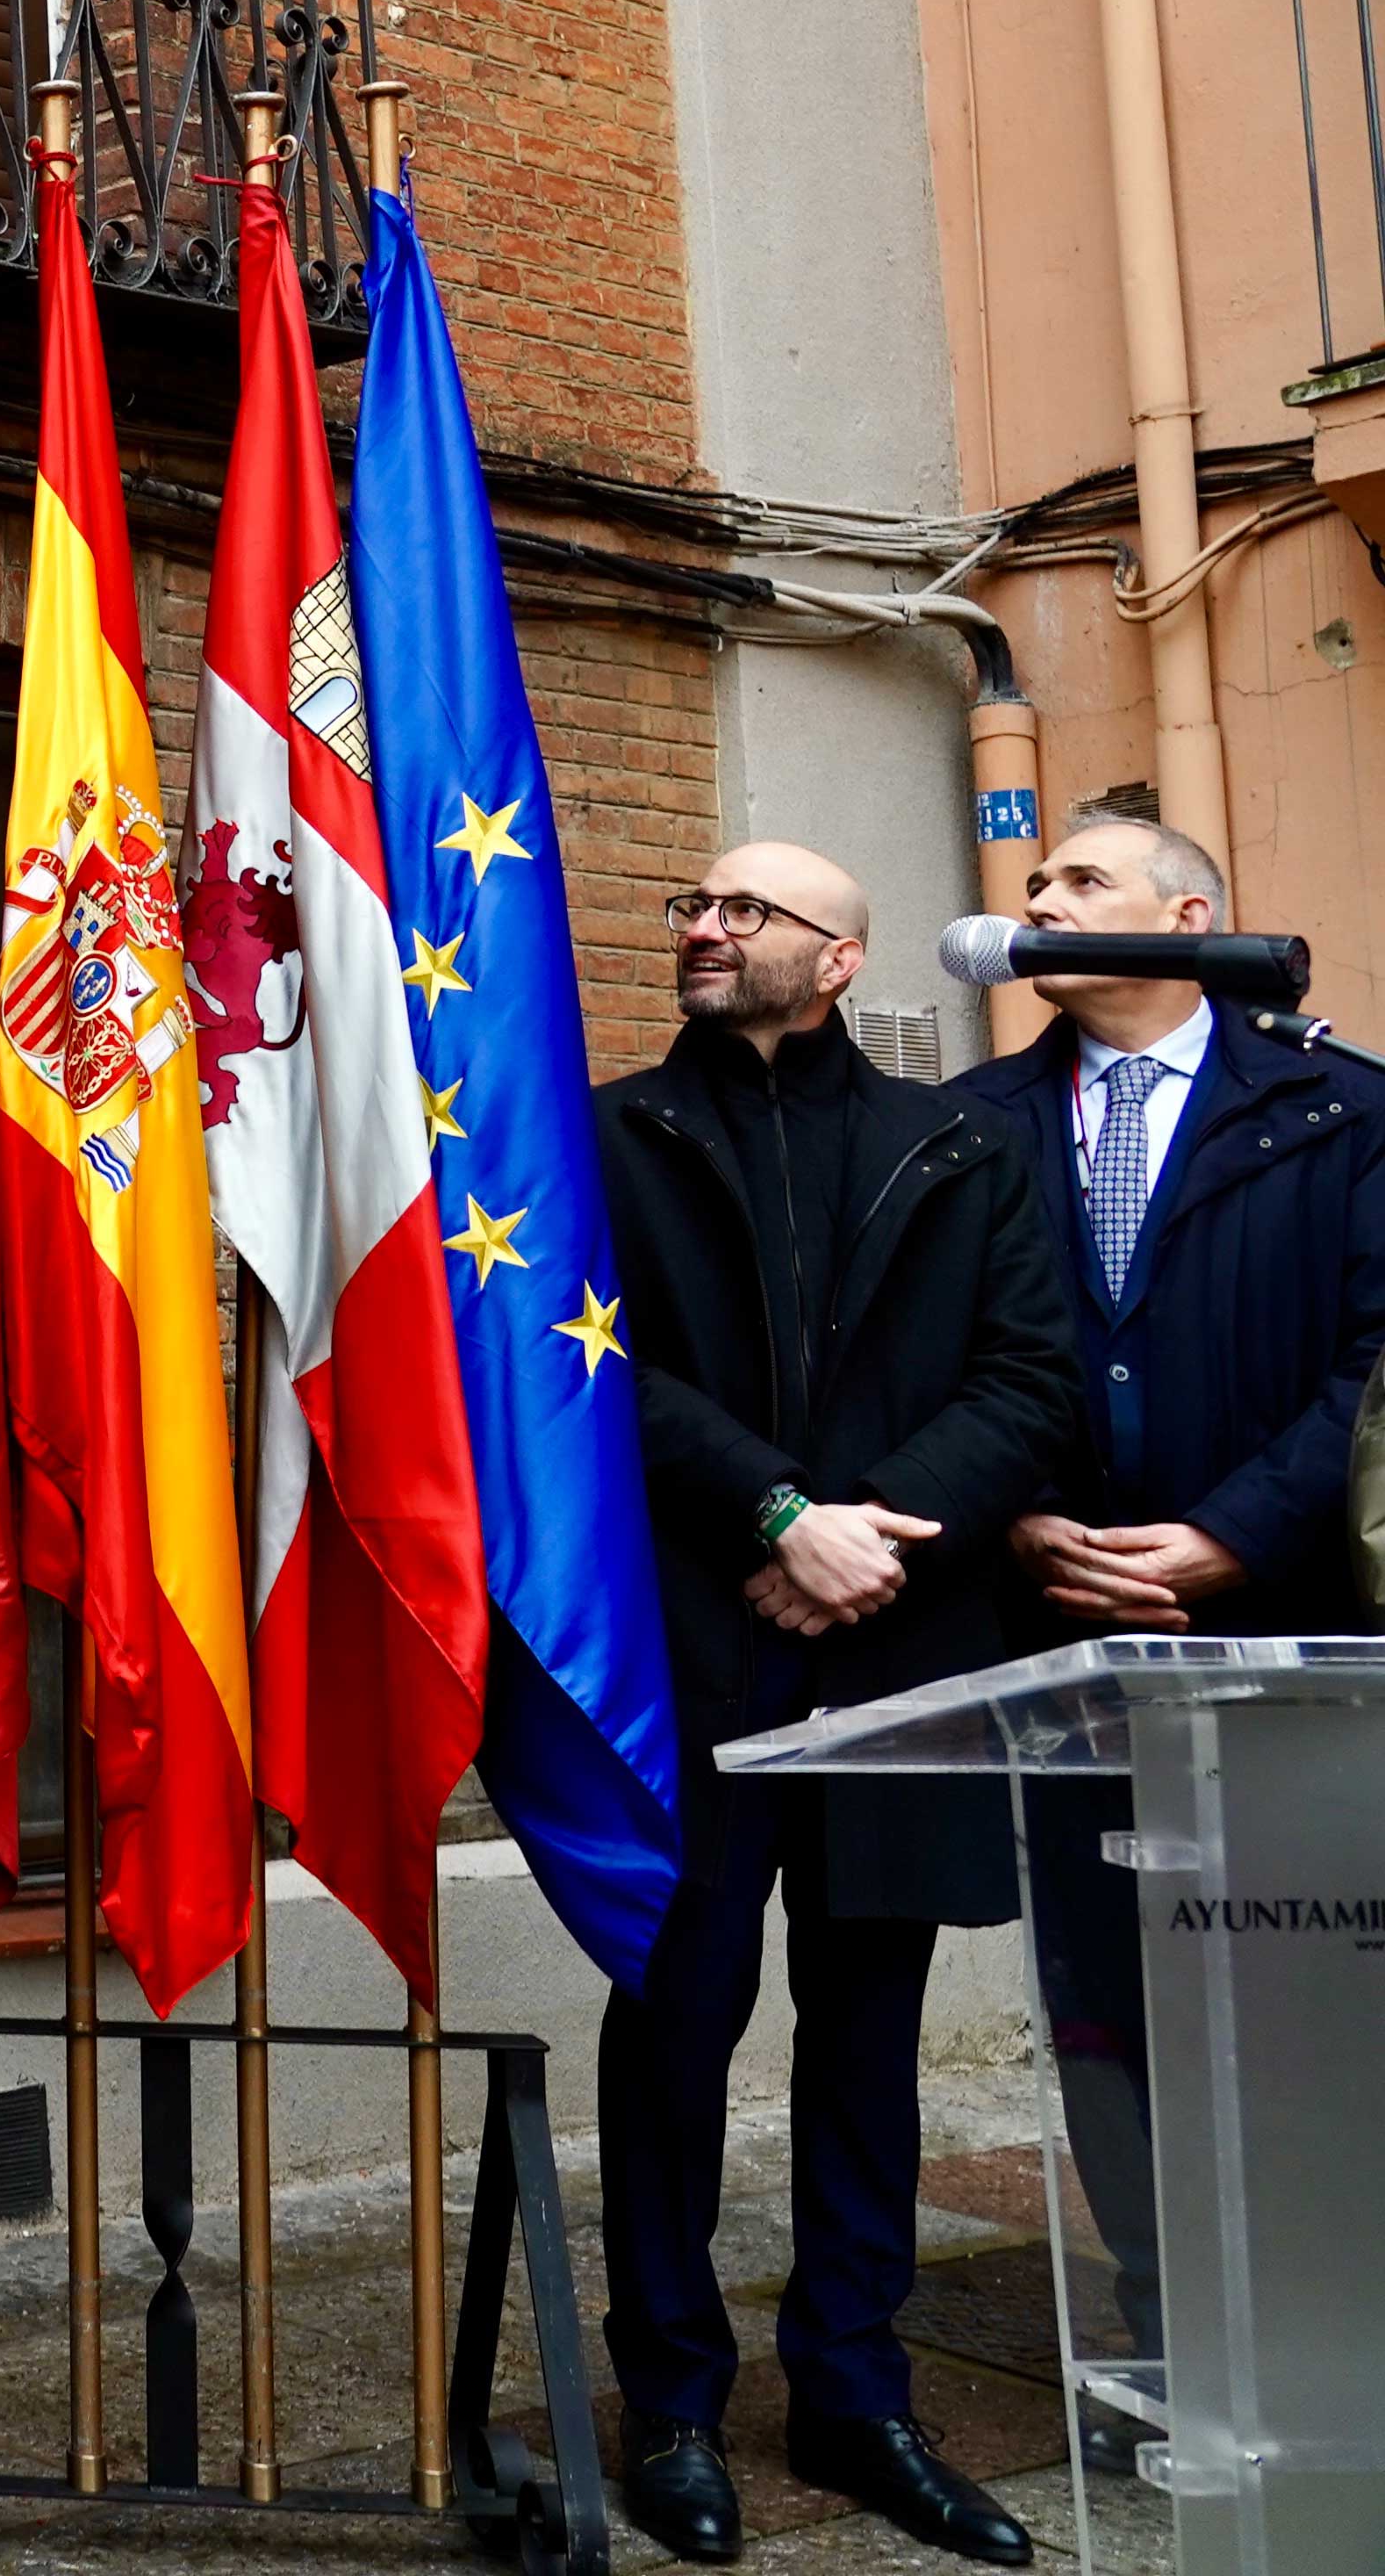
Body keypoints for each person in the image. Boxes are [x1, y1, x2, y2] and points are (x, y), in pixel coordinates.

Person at [592, 841, 1080, 2570]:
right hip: (694, 1649)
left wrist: (858, 1528)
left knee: (867, 2037)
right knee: (674, 2025)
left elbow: (1032, 1378)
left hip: (890, 1650)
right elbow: (577, 1352)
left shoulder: (962, 1146)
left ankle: (856, 2394)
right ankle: (667, 2399)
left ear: (843, 950)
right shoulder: (605, 1134)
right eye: (693, 907)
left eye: (746, 909)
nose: (705, 927)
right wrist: (779, 1508)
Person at [944, 807, 1385, 2382]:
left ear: (1187, 914)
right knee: (1108, 1998)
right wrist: (1020, 1521)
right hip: (1062, 1642)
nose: (1040, 903)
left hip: (1287, 1632)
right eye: (1037, 882)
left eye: (1078, 881)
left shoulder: (1338, 1112)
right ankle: (1176, 2332)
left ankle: (1334, 2320)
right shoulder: (975, 1124)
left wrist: (1234, 1534)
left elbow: (1375, 1367)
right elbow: (945, 1368)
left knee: (1303, 1981)